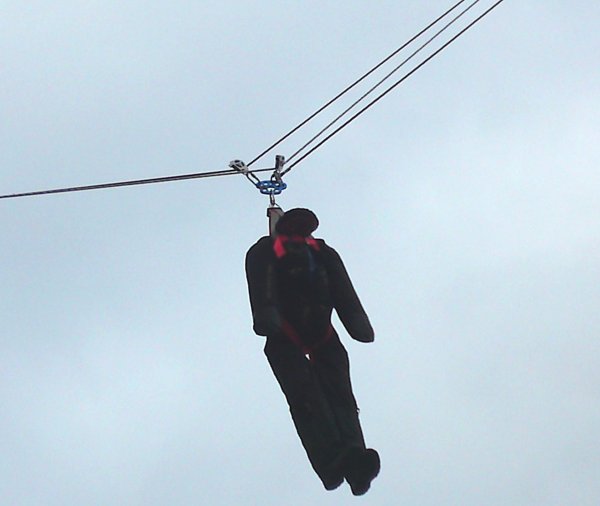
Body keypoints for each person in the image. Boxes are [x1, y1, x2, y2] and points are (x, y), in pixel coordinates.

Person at [245, 208, 380, 495]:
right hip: (285, 337)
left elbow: (344, 291)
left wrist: (357, 322)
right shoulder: (267, 250)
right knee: (308, 401)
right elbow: (261, 283)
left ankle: (355, 458)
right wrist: (265, 313)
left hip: (323, 334)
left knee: (342, 396)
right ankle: (331, 465)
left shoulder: (322, 252)